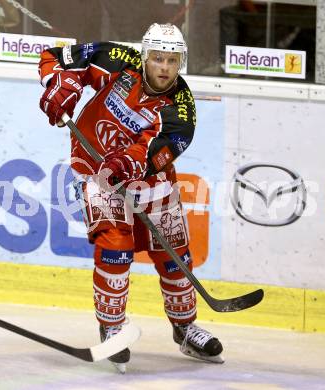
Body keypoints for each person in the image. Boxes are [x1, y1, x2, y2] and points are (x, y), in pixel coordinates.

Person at [38, 23, 223, 370]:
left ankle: (184, 328)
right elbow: (54, 59)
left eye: (172, 60)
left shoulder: (181, 109)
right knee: (115, 246)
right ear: (144, 56)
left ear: (181, 62)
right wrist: (62, 85)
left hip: (150, 182)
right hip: (97, 172)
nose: (164, 68)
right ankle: (112, 327)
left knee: (174, 256)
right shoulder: (116, 60)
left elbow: (155, 151)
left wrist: (124, 162)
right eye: (157, 58)